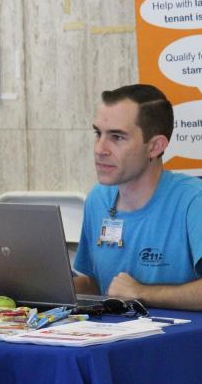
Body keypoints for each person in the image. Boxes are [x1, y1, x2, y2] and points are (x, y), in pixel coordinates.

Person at [73, 84, 202, 310]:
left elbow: (129, 292)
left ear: (154, 147)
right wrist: (35, 286)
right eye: (98, 133)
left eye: (117, 137)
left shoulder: (193, 200)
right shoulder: (98, 199)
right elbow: (98, 285)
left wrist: (141, 292)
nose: (100, 149)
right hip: (114, 339)